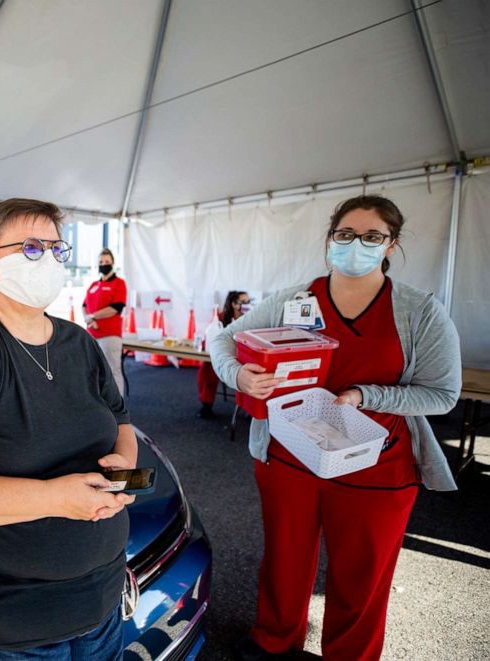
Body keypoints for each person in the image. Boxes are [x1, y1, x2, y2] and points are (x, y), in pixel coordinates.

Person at [208, 195, 461, 661]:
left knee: (362, 576)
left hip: (377, 466)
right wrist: (239, 374)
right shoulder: (295, 298)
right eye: (344, 235)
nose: (355, 245)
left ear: (392, 244)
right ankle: (275, 637)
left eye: (371, 237)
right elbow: (223, 338)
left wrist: (367, 395)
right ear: (330, 239)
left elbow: (442, 393)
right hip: (290, 458)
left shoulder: (419, 312)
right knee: (285, 560)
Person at [0, 198, 136, 659]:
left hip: (103, 602)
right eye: (32, 249)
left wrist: (123, 468)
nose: (49, 261)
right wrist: (56, 497)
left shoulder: (79, 342)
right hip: (12, 627)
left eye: (57, 250)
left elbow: (122, 421)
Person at [197, 291, 250, 419]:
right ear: (233, 304)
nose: (247, 305)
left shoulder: (250, 318)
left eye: (248, 302)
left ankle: (250, 409)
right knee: (207, 366)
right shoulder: (221, 317)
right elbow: (210, 338)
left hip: (243, 355)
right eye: (243, 302)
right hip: (224, 354)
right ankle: (206, 405)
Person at [83, 248, 128, 395]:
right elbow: (84, 306)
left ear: (113, 263)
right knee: (94, 372)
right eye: (101, 262)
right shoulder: (94, 285)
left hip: (109, 335)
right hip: (91, 335)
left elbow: (116, 308)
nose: (104, 264)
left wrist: (93, 316)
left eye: (107, 262)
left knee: (113, 370)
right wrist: (88, 319)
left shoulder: (119, 283)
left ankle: (118, 409)